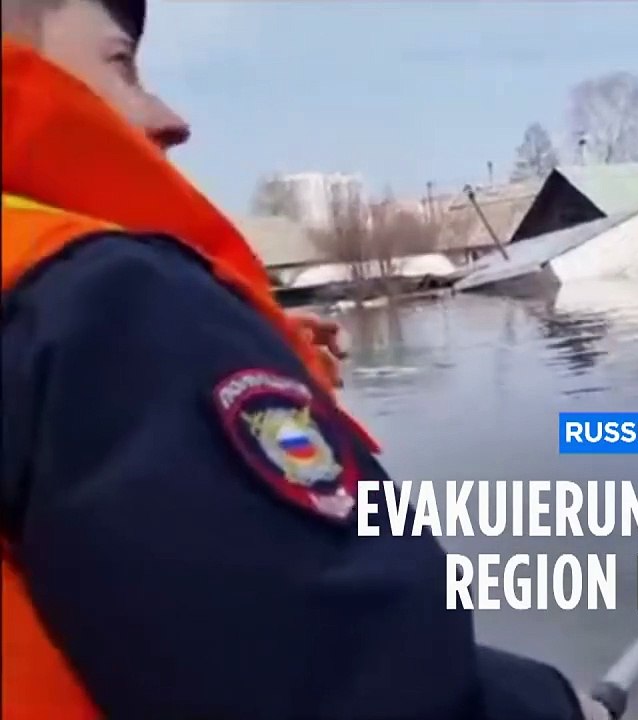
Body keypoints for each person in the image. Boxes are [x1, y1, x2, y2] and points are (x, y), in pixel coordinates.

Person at [0, 2, 605, 718]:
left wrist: (260, 345)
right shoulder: (96, 302)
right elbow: (364, 690)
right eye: (121, 64)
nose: (170, 118)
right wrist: (552, 705)